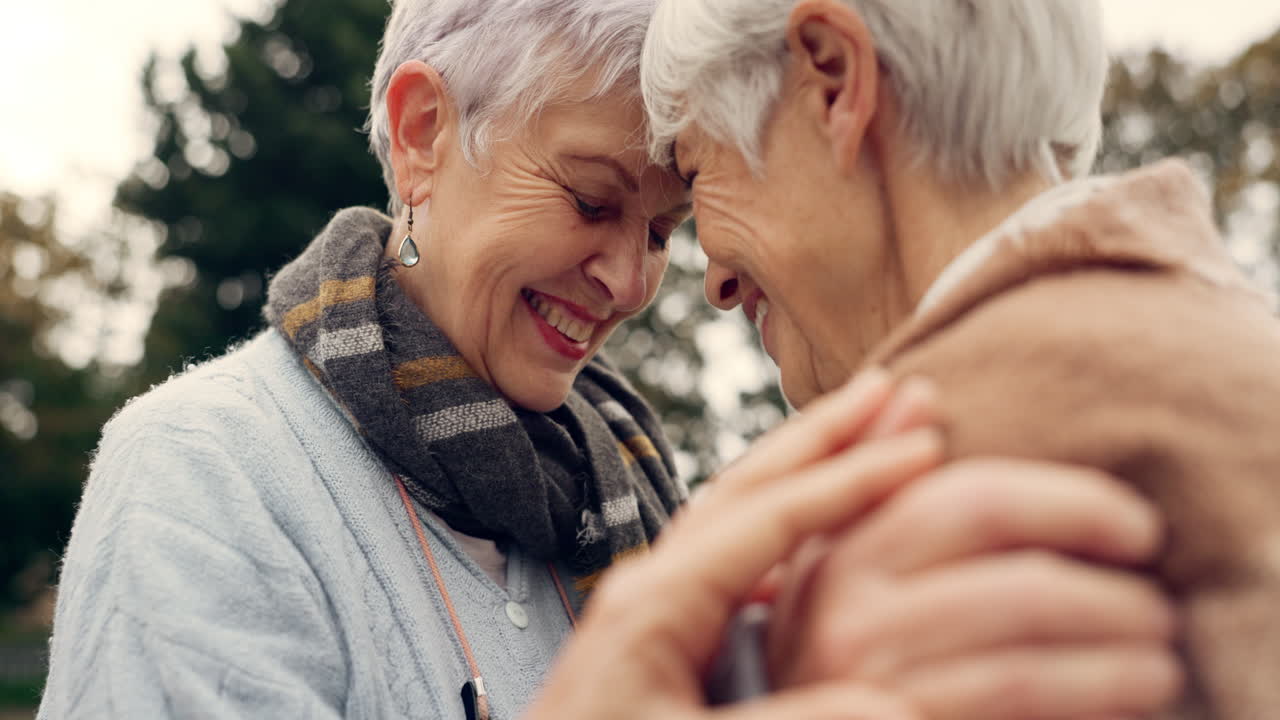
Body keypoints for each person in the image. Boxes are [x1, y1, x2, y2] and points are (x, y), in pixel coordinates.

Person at [38, 1, 1176, 719]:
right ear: (425, 132)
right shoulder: (204, 475)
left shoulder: (632, 487)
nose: (630, 283)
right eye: (591, 200)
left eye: (663, 229)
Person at [641, 0, 1278, 717]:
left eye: (697, 175)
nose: (716, 281)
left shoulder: (952, 473)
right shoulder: (1204, 348)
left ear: (832, 76)